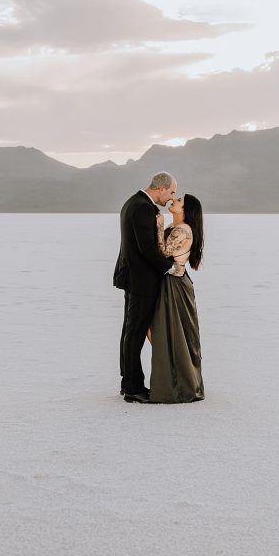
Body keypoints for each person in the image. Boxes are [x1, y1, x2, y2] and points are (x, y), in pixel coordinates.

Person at [113, 172, 178, 404]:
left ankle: (127, 383)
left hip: (133, 277)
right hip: (141, 280)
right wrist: (170, 267)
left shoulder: (134, 202)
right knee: (135, 333)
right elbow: (146, 249)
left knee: (130, 332)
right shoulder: (141, 207)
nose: (172, 198)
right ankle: (133, 388)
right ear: (160, 188)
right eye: (171, 192)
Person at [148, 194, 205, 403]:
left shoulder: (182, 230)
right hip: (171, 281)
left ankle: (177, 387)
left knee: (173, 333)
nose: (174, 200)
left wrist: (159, 223)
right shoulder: (177, 227)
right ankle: (175, 383)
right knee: (168, 332)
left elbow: (162, 252)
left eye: (179, 200)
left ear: (186, 209)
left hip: (174, 285)